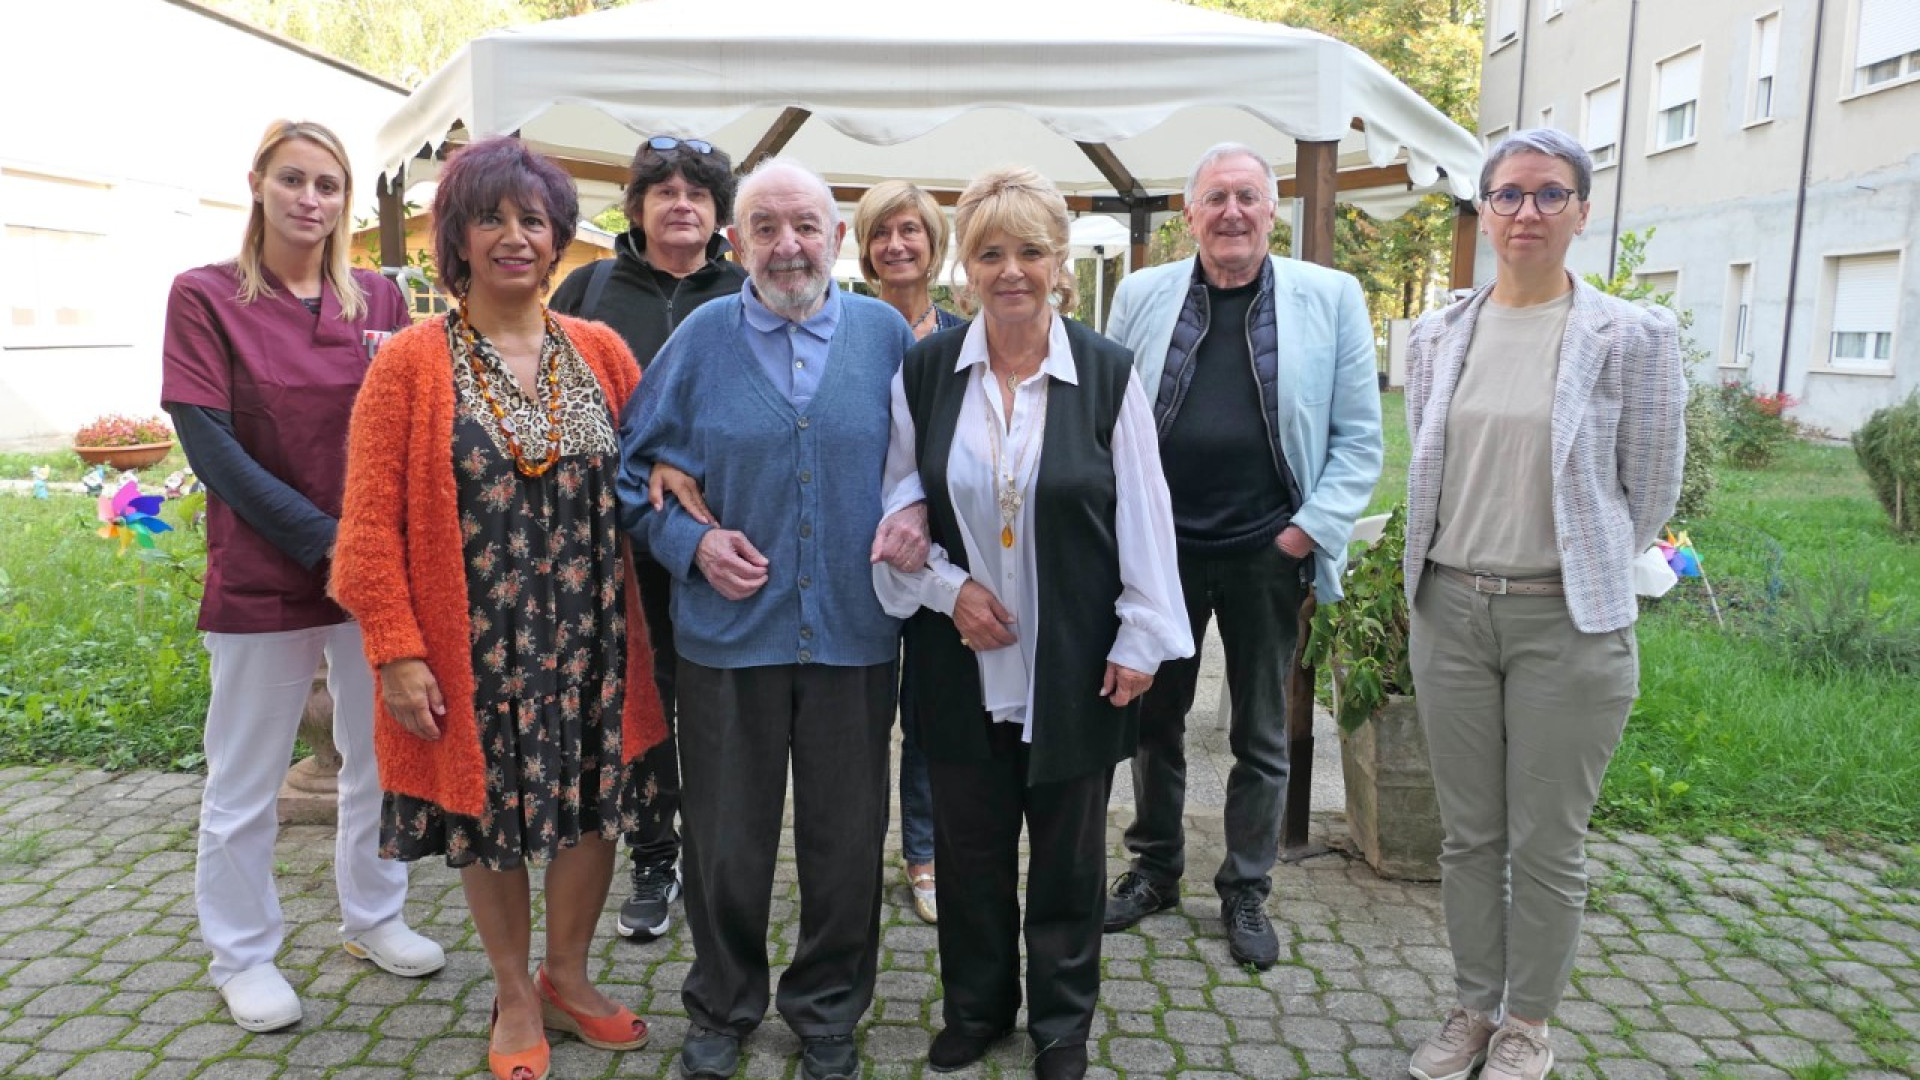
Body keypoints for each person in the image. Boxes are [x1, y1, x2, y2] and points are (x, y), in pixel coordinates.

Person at [332, 136, 665, 1080]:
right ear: (460, 241)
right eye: (492, 218)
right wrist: (396, 650)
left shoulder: (600, 350)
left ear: (559, 237)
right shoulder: (408, 363)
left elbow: (655, 470)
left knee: (595, 804)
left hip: (596, 635)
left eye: (533, 219)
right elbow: (365, 532)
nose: (515, 236)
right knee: (495, 817)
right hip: (475, 641)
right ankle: (515, 988)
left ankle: (570, 976)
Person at [873, 166, 1192, 1080]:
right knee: (969, 854)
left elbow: (1145, 514)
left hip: (1074, 660)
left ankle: (1061, 1023)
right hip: (959, 656)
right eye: (991, 253)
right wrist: (946, 590)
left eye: (1030, 252)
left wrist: (1141, 637)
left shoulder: (1106, 373)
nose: (1011, 270)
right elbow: (900, 505)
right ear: (963, 267)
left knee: (1067, 858)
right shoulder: (928, 370)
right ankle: (975, 1008)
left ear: (1059, 263)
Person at [618, 158, 920, 1080]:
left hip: (855, 635)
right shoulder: (705, 337)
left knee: (845, 839)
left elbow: (931, 463)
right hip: (725, 641)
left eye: (804, 227)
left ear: (836, 238)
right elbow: (634, 472)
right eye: (765, 228)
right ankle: (723, 1002)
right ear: (736, 241)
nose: (787, 246)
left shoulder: (885, 336)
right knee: (726, 840)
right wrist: (692, 548)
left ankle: (828, 1007)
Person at [1401, 128, 1684, 1080]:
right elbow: (1430, 472)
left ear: (1583, 211)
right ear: (1484, 212)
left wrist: (1582, 563)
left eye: (1550, 195)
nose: (1528, 212)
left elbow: (1647, 489)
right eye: (1510, 195)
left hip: (1566, 621)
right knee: (1469, 835)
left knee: (1548, 842)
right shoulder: (1438, 333)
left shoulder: (1632, 337)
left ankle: (1529, 1024)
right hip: (1450, 611)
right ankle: (1474, 1007)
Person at [160, 118, 444, 1034]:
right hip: (264, 575)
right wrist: (333, 542)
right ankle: (242, 955)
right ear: (257, 184)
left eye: (327, 185)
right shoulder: (203, 297)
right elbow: (213, 448)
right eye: (293, 180)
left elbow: (408, 432)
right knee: (243, 781)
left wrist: (380, 552)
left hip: (370, 577)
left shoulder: (379, 303)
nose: (310, 200)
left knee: (380, 758)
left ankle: (376, 917)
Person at [1102, 142, 1383, 968]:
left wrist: (1306, 529)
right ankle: (1153, 871)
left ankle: (1247, 887)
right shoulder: (1142, 293)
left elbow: (1359, 440)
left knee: (1262, 731)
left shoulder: (1330, 298)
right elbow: (1111, 419)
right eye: (1216, 197)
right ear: (1189, 215)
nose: (1233, 212)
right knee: (1155, 720)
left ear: (1273, 211)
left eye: (1249, 197)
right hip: (1162, 550)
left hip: (1270, 547)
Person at [549, 133, 747, 942]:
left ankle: (720, 856)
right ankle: (655, 854)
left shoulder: (748, 290)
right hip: (610, 546)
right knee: (636, 707)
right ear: (634, 208)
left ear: (717, 215)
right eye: (663, 192)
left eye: (697, 195)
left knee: (715, 707)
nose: (680, 206)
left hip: (716, 543)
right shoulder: (588, 286)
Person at [851, 179, 963, 924]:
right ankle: (851, 853)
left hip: (937, 555)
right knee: (857, 716)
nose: (897, 244)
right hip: (850, 554)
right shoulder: (841, 330)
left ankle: (925, 855)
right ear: (864, 248)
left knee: (928, 713)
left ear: (933, 243)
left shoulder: (961, 337)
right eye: (882, 231)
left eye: (910, 230)